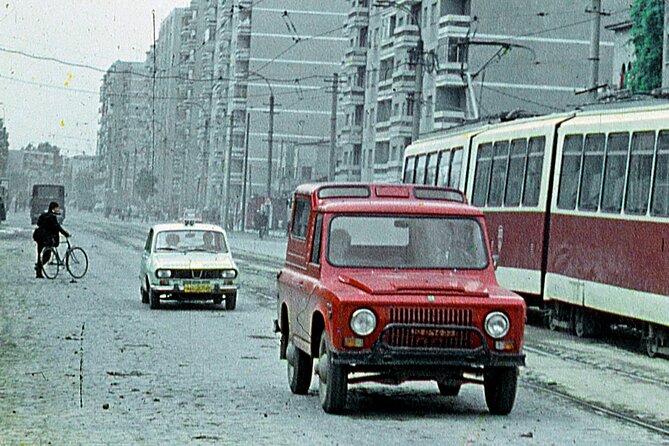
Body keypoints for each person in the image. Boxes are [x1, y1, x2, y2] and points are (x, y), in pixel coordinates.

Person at [32, 201, 70, 278]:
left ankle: (38, 272)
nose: (57, 210)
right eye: (56, 208)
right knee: (47, 255)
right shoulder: (52, 217)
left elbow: (38, 223)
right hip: (47, 238)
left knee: (39, 254)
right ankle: (39, 267)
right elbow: (57, 227)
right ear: (53, 209)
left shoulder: (44, 215)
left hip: (39, 236)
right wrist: (66, 234)